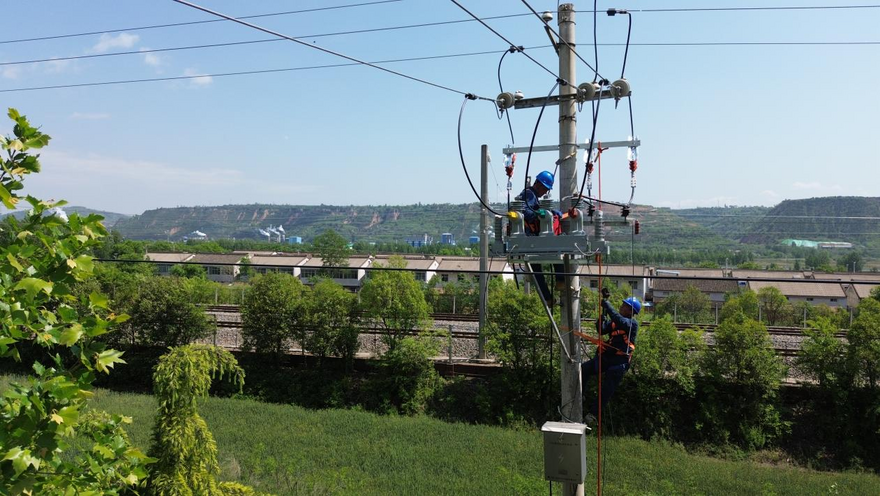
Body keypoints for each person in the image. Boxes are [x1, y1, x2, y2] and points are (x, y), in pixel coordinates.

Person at [582, 288, 641, 423]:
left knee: (606, 390)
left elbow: (621, 321)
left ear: (631, 312)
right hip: (607, 358)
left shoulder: (632, 324)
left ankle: (592, 414)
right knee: (583, 369)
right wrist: (600, 320)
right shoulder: (615, 322)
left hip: (619, 363)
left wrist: (608, 306)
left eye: (625, 306)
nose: (621, 306)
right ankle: (581, 396)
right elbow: (602, 330)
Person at [516, 171, 563, 303]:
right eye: (545, 189)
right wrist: (540, 213)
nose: (545, 192)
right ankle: (561, 280)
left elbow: (534, 208)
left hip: (530, 237)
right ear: (539, 185)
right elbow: (525, 211)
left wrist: (550, 212)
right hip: (530, 236)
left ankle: (547, 297)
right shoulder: (529, 194)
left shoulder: (532, 195)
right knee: (556, 249)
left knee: (536, 269)